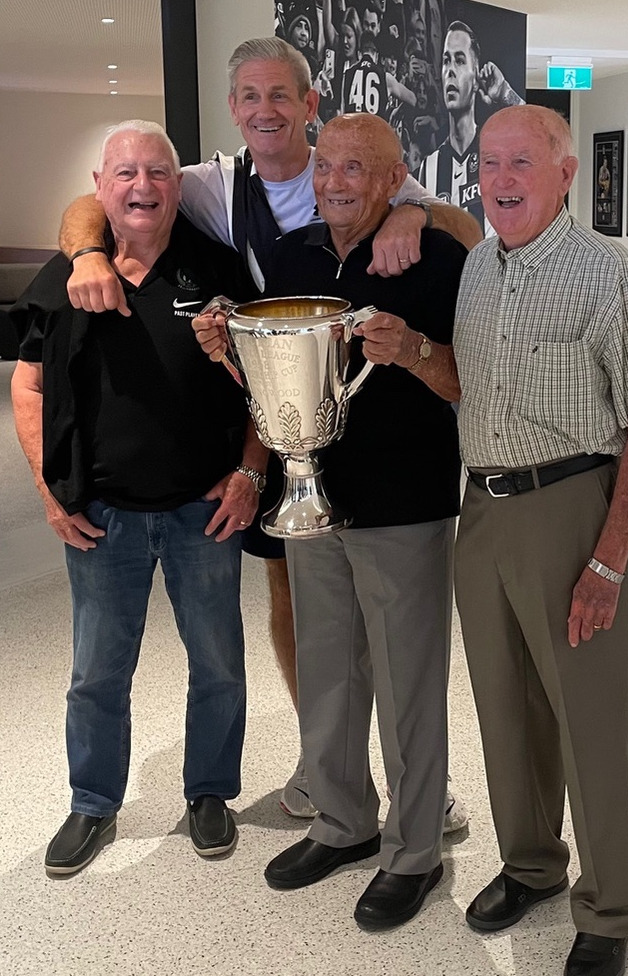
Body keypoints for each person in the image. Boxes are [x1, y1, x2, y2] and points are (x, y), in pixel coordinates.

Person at [57, 37, 481, 824]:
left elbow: (456, 223)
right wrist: (85, 251)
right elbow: (105, 197)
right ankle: (327, 769)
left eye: (280, 95)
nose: (264, 110)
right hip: (283, 433)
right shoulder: (214, 186)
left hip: (387, 464)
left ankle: (421, 796)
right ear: (232, 109)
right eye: (249, 96)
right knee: (305, 613)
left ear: (309, 105)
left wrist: (416, 213)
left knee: (399, 648)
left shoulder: (359, 165)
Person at [194, 112, 466, 929]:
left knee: (408, 685)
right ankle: (344, 822)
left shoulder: (437, 255)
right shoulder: (291, 255)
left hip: (403, 505)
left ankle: (414, 851)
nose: (336, 181)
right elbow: (273, 373)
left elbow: (465, 384)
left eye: (357, 168)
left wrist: (414, 349)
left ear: (395, 181)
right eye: (327, 167)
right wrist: (225, 346)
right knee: (329, 672)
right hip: (310, 494)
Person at [450, 106, 628, 976]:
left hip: (570, 509)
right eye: (489, 162)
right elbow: (468, 381)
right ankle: (532, 865)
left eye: (522, 162)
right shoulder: (475, 265)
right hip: (483, 511)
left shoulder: (606, 274)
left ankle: (610, 905)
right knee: (506, 712)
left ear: (565, 173)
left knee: (589, 721)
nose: (502, 179)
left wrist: (610, 558)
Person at [10, 121, 261, 875]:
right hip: (102, 516)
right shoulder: (67, 277)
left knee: (217, 663)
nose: (142, 187)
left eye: (157, 172)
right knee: (96, 671)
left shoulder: (218, 271)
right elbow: (29, 385)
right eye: (125, 174)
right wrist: (52, 492)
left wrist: (249, 472)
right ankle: (92, 802)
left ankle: (210, 792)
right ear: (100, 187)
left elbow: (267, 388)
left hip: (202, 510)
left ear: (178, 187)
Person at [419, 21, 523, 231]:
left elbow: (542, 138)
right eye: (446, 61)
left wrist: (504, 92)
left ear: (476, 78)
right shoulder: (429, 167)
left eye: (459, 61)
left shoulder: (498, 154)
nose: (450, 71)